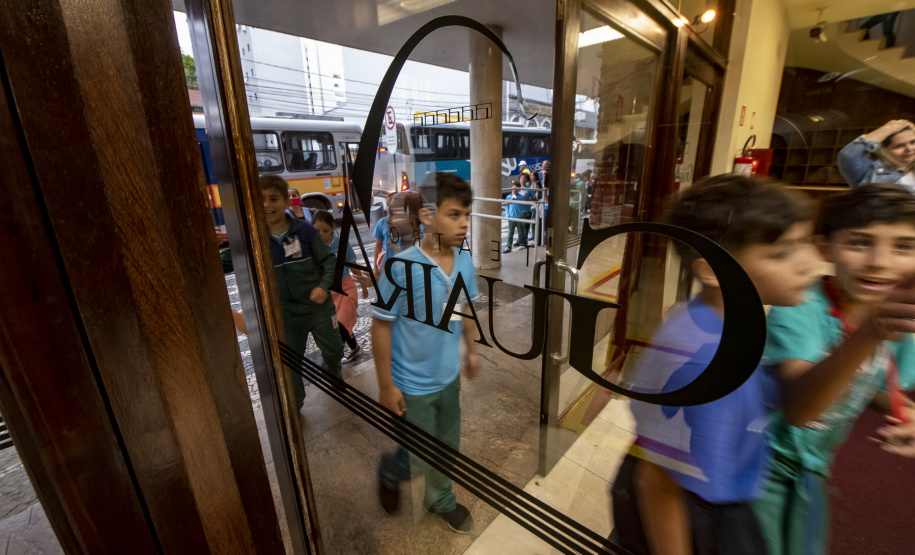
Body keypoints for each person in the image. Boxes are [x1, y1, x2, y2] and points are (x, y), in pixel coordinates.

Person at [612, 176, 915, 555]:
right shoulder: (703, 361)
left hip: (723, 488)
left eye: (804, 243)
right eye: (782, 253)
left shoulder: (731, 324)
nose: (810, 263)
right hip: (693, 508)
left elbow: (779, 395)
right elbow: (655, 482)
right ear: (713, 271)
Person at [752, 183, 915, 555]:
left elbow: (876, 383)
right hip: (764, 460)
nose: (881, 261)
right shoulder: (801, 305)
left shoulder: (897, 315)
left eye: (904, 246)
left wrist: (905, 412)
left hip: (812, 464)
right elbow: (800, 409)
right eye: (860, 242)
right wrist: (873, 332)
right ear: (825, 248)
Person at [373, 172, 480, 534]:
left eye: (467, 214)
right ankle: (391, 470)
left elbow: (462, 306)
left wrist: (472, 350)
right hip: (412, 386)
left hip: (448, 379)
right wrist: (386, 385)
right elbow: (381, 326)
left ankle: (440, 500)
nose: (464, 223)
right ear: (427, 216)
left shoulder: (464, 260)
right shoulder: (400, 267)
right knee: (418, 458)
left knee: (447, 447)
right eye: (454, 214)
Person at [260, 175, 343, 409]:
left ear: (287, 202)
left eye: (274, 199)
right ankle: (296, 402)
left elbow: (328, 261)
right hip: (287, 313)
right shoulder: (254, 237)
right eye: (262, 200)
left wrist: (322, 286)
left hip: (318, 308)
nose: (267, 205)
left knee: (335, 348)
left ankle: (332, 377)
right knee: (291, 361)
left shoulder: (305, 231)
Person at [312, 210, 372, 364]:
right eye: (317, 230)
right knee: (336, 324)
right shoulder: (313, 246)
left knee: (340, 321)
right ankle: (354, 347)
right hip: (328, 292)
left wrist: (363, 286)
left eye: (325, 230)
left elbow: (352, 264)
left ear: (332, 228)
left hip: (345, 287)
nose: (322, 234)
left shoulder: (342, 244)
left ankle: (335, 356)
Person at [837, 119, 915, 191]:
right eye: (899, 146)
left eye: (913, 142)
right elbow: (848, 156)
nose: (909, 149)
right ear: (884, 150)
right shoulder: (870, 170)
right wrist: (887, 129)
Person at [503, 184, 527, 253]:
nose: (514, 190)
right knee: (510, 232)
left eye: (516, 188)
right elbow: (507, 206)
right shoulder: (508, 197)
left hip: (520, 216)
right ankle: (508, 246)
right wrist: (507, 214)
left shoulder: (521, 197)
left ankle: (522, 244)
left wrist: (515, 195)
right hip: (512, 217)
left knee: (521, 231)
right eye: (513, 188)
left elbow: (521, 204)